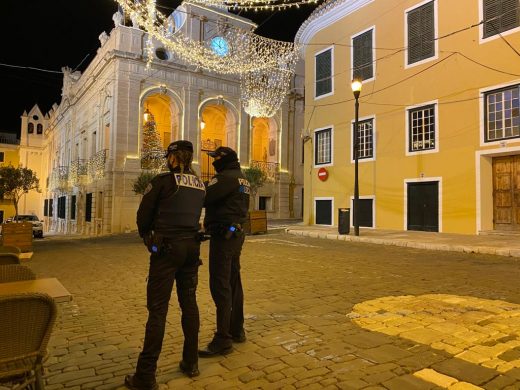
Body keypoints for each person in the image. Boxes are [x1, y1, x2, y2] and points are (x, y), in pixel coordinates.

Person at [125, 140, 205, 390]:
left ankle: (145, 375)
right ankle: (191, 362)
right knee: (189, 303)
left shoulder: (162, 182)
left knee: (158, 311)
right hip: (191, 249)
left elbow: (143, 217)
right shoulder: (200, 185)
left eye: (168, 156)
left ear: (173, 157)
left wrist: (148, 237)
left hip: (166, 251)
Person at [198, 146, 250, 357]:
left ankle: (223, 339)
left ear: (224, 159)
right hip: (236, 234)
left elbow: (203, 198)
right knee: (233, 282)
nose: (212, 162)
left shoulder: (224, 178)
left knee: (220, 286)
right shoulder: (242, 178)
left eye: (215, 158)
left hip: (224, 237)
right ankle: (237, 329)